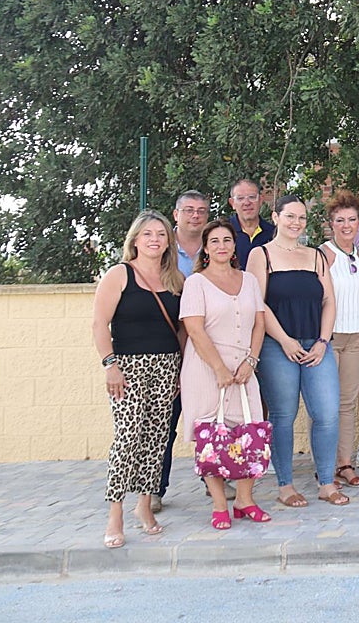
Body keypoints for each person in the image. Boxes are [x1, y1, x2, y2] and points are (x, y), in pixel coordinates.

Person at [247, 195, 348, 507]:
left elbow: (329, 300)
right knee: (283, 414)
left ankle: (327, 482)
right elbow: (257, 303)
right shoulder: (260, 255)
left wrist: (322, 341)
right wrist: (285, 340)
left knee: (328, 413)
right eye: (290, 216)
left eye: (301, 218)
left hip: (316, 344)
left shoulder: (315, 256)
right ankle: (285, 485)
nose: (296, 223)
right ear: (276, 217)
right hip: (278, 346)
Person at [91, 211, 184, 549]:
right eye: (147, 234)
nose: (154, 239)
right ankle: (115, 514)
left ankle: (145, 506)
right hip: (127, 366)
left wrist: (182, 370)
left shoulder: (175, 279)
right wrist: (109, 365)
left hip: (167, 365)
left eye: (160, 234)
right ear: (134, 240)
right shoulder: (119, 274)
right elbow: (100, 324)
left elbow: (182, 329)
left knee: (158, 437)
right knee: (128, 437)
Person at [178, 219, 270, 528]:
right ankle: (219, 505)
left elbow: (259, 323)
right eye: (214, 241)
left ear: (234, 246)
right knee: (210, 438)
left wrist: (251, 361)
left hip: (244, 369)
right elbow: (193, 327)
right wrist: (218, 367)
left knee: (250, 432)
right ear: (205, 247)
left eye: (226, 240)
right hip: (206, 370)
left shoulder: (248, 281)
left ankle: (245, 500)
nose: (221, 246)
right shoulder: (196, 283)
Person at [154, 189, 214, 513]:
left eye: (201, 210)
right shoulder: (162, 249)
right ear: (176, 214)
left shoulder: (215, 247)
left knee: (208, 415)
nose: (195, 216)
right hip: (167, 344)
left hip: (205, 346)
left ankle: (213, 479)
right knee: (166, 420)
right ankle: (155, 487)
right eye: (189, 210)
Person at [320, 190, 359, 488]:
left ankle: (345, 463)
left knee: (348, 403)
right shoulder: (324, 254)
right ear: (331, 223)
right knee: (325, 405)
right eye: (340, 220)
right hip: (330, 337)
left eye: (352, 219)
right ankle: (324, 467)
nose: (346, 225)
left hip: (356, 336)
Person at [229, 179, 274, 268]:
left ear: (261, 200)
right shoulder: (223, 232)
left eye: (252, 197)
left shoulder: (274, 234)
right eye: (240, 198)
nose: (247, 203)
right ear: (232, 203)